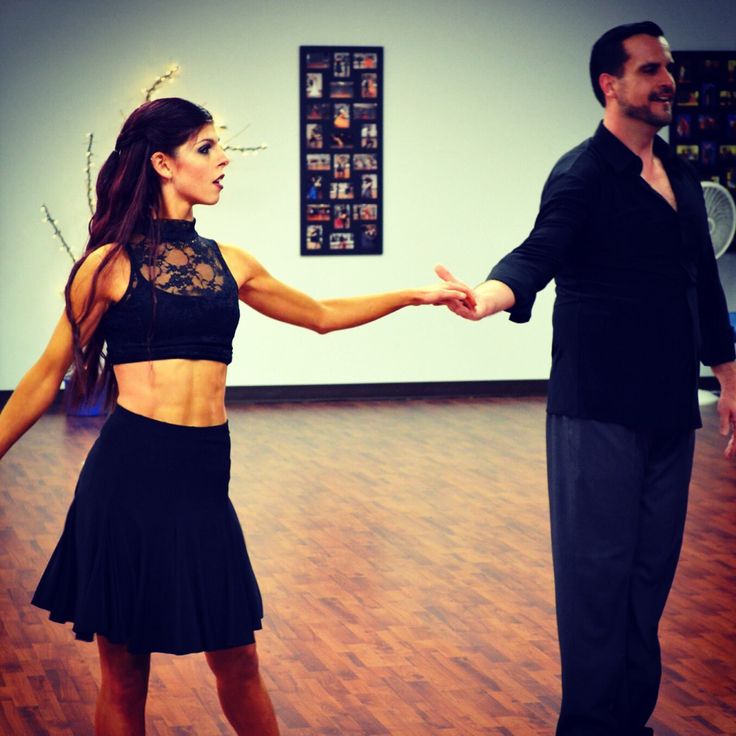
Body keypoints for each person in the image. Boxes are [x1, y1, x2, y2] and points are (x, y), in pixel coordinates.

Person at [0, 97, 473, 736]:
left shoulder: (232, 262)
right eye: (206, 147)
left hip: (202, 481)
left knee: (239, 659)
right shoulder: (107, 266)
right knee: (126, 673)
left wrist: (414, 293)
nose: (224, 159)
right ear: (164, 163)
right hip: (129, 479)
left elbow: (322, 315)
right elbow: (42, 375)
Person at [437, 21, 736, 736]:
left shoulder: (683, 174)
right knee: (597, 581)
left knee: (648, 577)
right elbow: (538, 252)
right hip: (596, 408)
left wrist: (727, 373)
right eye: (650, 70)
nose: (667, 81)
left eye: (667, 69)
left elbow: (701, 283)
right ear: (611, 84)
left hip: (669, 407)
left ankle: (628, 721)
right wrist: (488, 294)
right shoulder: (582, 174)